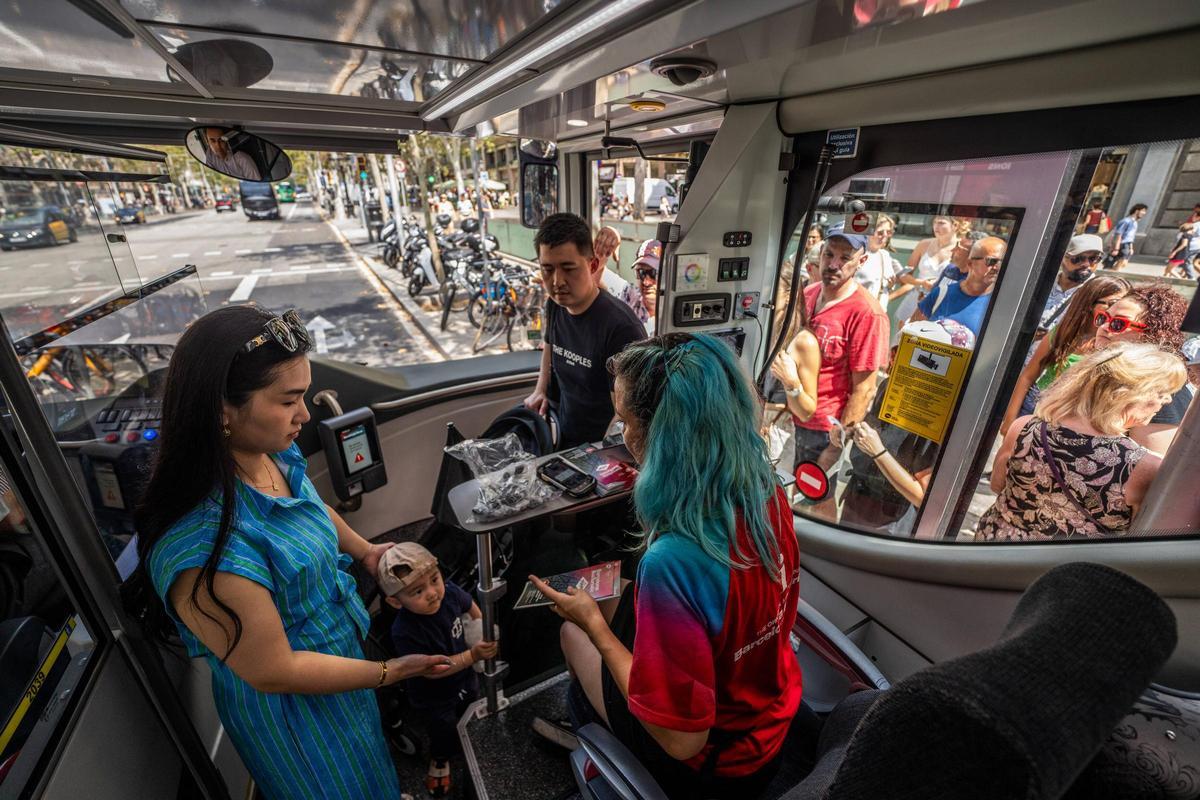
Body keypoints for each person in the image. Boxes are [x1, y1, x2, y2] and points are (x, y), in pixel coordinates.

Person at [135, 306, 451, 800]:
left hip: (342, 668)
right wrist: (391, 671)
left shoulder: (270, 452)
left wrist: (366, 551)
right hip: (296, 714)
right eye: (289, 400)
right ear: (223, 409)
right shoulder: (205, 549)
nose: (304, 415)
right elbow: (274, 670)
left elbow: (309, 504)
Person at [532, 333, 804, 798]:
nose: (623, 437)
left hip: (717, 763)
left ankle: (595, 742)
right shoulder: (768, 492)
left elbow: (681, 740)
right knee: (616, 587)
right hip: (769, 720)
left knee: (573, 633)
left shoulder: (673, 561)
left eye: (626, 423)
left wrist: (593, 625)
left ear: (663, 435)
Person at [976, 342, 1185, 540]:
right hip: (1063, 571)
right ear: (1128, 395)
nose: (1166, 400)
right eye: (1161, 392)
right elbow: (1143, 538)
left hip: (994, 546)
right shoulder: (1144, 468)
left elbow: (997, 484)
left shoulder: (1025, 426)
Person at [381, 543, 497, 798]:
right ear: (395, 601)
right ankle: (440, 758)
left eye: (435, 579)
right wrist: (472, 655)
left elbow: (470, 607)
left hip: (465, 677)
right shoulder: (405, 631)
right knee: (442, 728)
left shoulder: (451, 593)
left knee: (471, 708)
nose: (433, 593)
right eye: (418, 591)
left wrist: (478, 630)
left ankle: (476, 742)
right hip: (434, 693)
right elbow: (431, 670)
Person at [524, 213, 647, 449]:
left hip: (599, 449)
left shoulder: (621, 329)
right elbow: (550, 348)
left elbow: (627, 416)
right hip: (562, 431)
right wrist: (539, 390)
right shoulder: (556, 305)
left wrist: (595, 459)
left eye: (568, 269)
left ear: (591, 265)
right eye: (547, 269)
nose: (557, 281)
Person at [840, 320, 974, 535]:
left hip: (888, 520)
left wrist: (878, 453)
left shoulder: (936, 418)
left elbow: (921, 496)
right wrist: (852, 431)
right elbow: (878, 431)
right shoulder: (891, 387)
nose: (895, 361)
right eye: (899, 351)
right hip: (859, 499)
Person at [795, 222, 890, 472]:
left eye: (845, 258)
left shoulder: (868, 314)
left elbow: (865, 389)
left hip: (823, 428)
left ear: (862, 261)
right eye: (829, 254)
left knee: (814, 497)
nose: (834, 264)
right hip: (792, 413)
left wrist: (834, 448)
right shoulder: (809, 293)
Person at [1002, 275, 1130, 432]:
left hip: (1076, 422)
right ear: (1090, 303)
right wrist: (1010, 421)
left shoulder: (1120, 345)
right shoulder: (1063, 333)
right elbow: (1028, 376)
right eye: (1112, 303)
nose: (1117, 309)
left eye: (1123, 304)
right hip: (1035, 408)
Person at [1086, 285, 1191, 454]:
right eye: (1103, 318)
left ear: (1152, 334)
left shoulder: (1162, 390)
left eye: (1118, 323)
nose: (1104, 327)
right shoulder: (1103, 370)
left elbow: (1150, 467)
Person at [906, 236, 1007, 338]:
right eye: (992, 261)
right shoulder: (941, 294)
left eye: (1002, 262)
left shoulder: (1001, 306)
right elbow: (910, 336)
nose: (997, 267)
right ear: (970, 263)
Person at [893, 215, 959, 326]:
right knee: (901, 337)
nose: (936, 227)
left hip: (943, 302)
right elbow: (904, 275)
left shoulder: (961, 248)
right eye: (935, 222)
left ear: (955, 225)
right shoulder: (924, 244)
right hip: (916, 299)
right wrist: (921, 283)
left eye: (941, 223)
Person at [1038, 234, 1105, 333]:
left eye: (1093, 259)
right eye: (1078, 259)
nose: (1086, 264)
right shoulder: (1040, 283)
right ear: (1062, 259)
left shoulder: (1099, 294)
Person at [854, 213, 900, 309]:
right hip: (858, 310)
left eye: (888, 232)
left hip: (878, 312)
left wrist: (891, 285)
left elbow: (884, 286)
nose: (884, 236)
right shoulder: (857, 254)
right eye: (880, 233)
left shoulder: (884, 255)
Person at [1107, 203, 1147, 271]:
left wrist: (1131, 247)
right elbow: (1118, 234)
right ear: (1137, 211)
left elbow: (1130, 237)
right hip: (1121, 244)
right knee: (1117, 263)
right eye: (1143, 210)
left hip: (1127, 244)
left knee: (1123, 263)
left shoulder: (1134, 222)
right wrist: (1116, 248)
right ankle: (1112, 274)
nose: (1144, 213)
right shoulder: (1126, 221)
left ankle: (1113, 273)